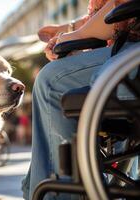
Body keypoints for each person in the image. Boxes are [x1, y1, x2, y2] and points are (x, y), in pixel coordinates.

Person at [22, 0, 140, 199]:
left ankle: (59, 193)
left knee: (51, 80)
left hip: (130, 53)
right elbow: (107, 12)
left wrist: (74, 36)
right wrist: (68, 31)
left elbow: (122, 7)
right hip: (124, 49)